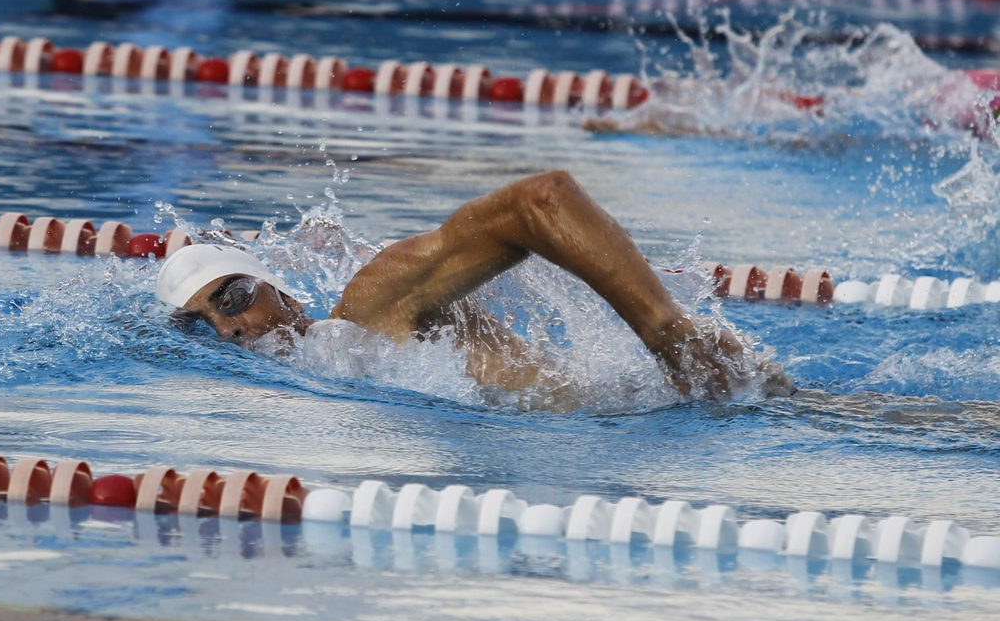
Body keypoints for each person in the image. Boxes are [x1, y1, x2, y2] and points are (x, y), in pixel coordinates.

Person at [156, 170, 792, 403]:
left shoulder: (369, 305)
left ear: (281, 291)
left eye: (232, 297)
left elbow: (542, 199)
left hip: (690, 395)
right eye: (202, 325)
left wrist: (667, 334)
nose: (230, 329)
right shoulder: (324, 381)